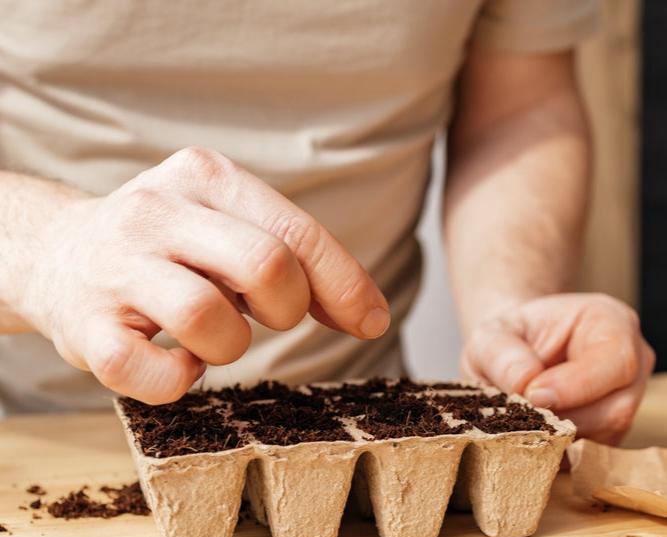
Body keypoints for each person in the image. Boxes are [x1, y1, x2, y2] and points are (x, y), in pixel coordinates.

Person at [0, 1, 653, 444]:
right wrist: (50, 249)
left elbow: (519, 105)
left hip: (354, 433)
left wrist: (511, 307)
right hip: (37, 435)